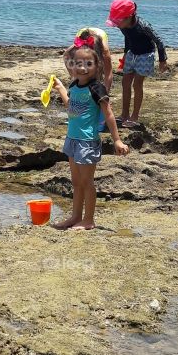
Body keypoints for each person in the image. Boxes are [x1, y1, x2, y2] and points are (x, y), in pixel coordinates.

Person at [50, 34, 129, 230]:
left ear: (97, 66)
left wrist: (117, 140)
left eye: (88, 63)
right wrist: (60, 88)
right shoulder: (75, 84)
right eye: (78, 63)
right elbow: (72, 108)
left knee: (87, 182)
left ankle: (89, 219)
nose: (82, 67)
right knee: (76, 182)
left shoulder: (97, 88)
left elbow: (109, 115)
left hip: (87, 141)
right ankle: (75, 217)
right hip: (72, 139)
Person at [105, 0, 168, 127]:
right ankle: (124, 114)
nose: (116, 25)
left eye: (118, 21)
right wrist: (124, 57)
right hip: (131, 53)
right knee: (125, 82)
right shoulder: (123, 26)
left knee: (137, 85)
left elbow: (159, 41)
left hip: (145, 55)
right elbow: (128, 40)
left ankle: (134, 117)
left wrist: (162, 60)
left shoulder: (143, 26)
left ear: (129, 17)